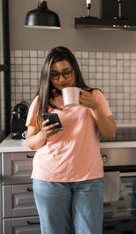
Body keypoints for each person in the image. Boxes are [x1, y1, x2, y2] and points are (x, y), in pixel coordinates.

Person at [25, 46, 116, 234]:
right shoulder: (41, 100)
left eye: (66, 73)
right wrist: (43, 134)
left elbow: (110, 133)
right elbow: (31, 142)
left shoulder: (94, 96)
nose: (62, 79)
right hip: (50, 178)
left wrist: (94, 107)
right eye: (55, 75)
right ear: (48, 77)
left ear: (75, 70)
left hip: (88, 178)